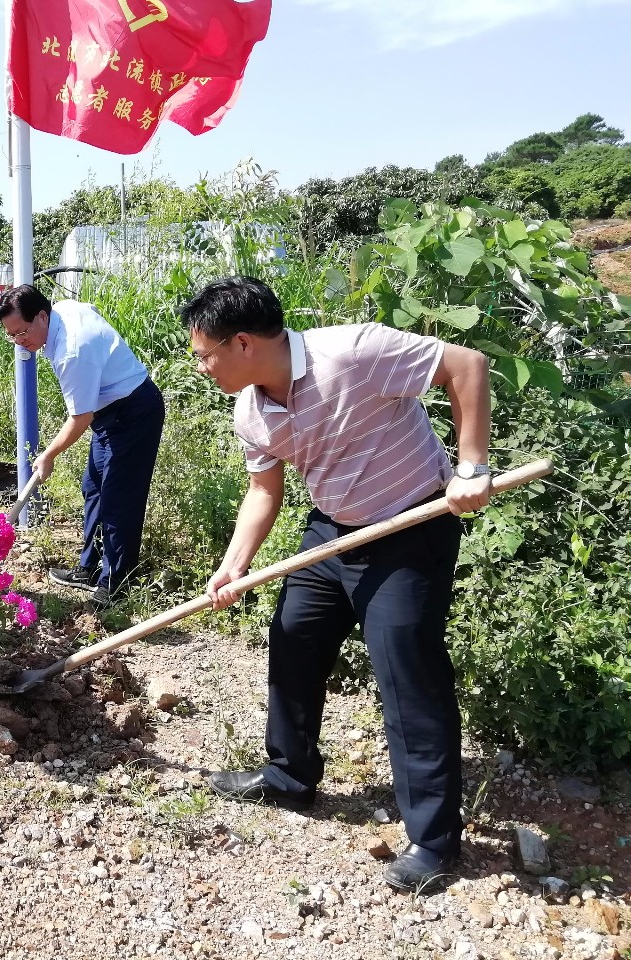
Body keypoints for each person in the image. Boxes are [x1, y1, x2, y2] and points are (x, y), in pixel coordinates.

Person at [180, 276, 493, 892]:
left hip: (409, 526)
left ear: (242, 343)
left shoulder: (353, 352)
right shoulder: (252, 408)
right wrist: (235, 563)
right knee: (293, 636)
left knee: (406, 673)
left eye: (206, 354)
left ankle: (433, 841)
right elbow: (263, 491)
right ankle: (289, 777)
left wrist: (472, 466)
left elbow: (468, 365)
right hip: (331, 532)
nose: (202, 367)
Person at [0, 284, 164, 609]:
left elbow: (80, 417)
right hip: (110, 411)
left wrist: (49, 455)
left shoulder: (73, 349)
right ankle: (90, 567)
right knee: (93, 488)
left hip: (133, 412)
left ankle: (116, 584)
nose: (19, 341)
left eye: (22, 331)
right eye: (12, 335)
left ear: (42, 316)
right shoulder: (64, 312)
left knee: (118, 500)